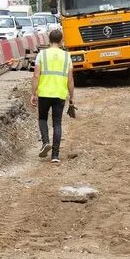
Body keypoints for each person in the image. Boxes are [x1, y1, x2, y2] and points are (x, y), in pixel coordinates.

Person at [31, 27, 74, 164]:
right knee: (57, 123)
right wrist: (71, 97)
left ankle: (45, 142)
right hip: (60, 94)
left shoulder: (41, 55)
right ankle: (55, 155)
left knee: (42, 118)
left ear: (49, 40)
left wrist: (33, 93)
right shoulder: (67, 56)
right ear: (61, 41)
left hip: (44, 93)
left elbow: (36, 75)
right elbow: (70, 79)